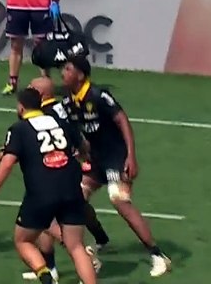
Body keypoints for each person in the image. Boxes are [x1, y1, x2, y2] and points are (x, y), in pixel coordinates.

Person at [0, 87, 98, 284]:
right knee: (76, 246)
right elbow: (83, 148)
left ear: (21, 108)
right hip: (71, 189)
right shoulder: (61, 122)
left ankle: (47, 279)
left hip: (42, 193)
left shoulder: (19, 129)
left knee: (23, 240)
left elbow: (7, 164)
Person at [60, 57, 172, 278]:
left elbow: (122, 120)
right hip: (95, 160)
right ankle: (101, 240)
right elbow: (79, 133)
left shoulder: (98, 95)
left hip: (116, 158)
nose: (63, 72)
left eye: (68, 69)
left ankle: (158, 255)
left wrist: (131, 156)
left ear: (80, 75)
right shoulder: (68, 102)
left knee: (119, 200)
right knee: (75, 199)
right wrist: (80, 152)